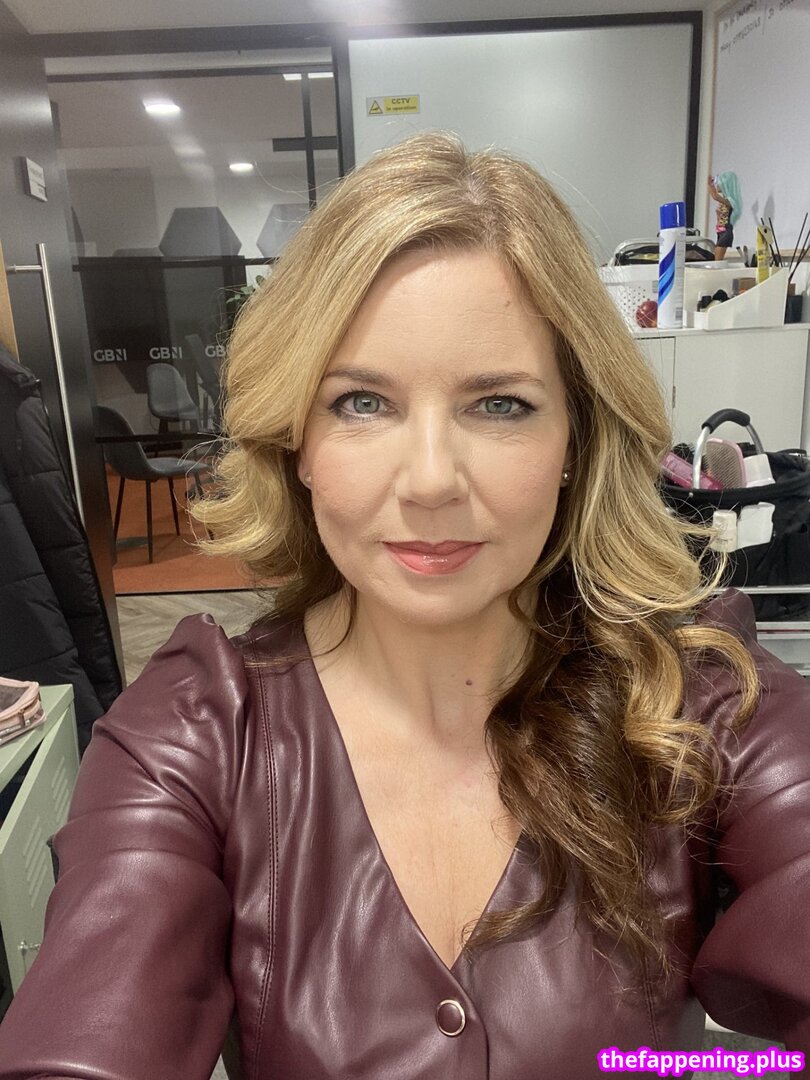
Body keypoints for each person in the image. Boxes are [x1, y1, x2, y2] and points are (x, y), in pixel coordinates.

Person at [0, 133, 808, 1080]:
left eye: (499, 405)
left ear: (575, 441)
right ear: (297, 439)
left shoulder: (701, 701)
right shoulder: (199, 731)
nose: (429, 481)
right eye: (361, 403)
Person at [708, 171, 742, 260]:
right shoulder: (723, 200)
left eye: (719, 184)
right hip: (720, 231)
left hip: (725, 232)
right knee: (716, 259)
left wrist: (709, 184)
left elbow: (715, 196)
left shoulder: (730, 201)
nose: (717, 186)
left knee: (717, 261)